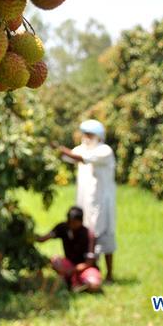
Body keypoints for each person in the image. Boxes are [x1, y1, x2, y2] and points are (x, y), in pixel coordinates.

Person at [55, 119, 117, 282]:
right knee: (86, 236)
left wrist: (60, 149)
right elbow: (69, 157)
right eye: (85, 134)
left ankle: (109, 274)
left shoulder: (104, 151)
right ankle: (86, 271)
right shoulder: (82, 149)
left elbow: (81, 157)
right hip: (85, 202)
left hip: (102, 203)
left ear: (98, 136)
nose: (86, 137)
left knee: (105, 238)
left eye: (89, 134)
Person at [36, 206, 103, 292]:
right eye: (70, 222)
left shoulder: (89, 235)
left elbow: (88, 263)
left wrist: (71, 271)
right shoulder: (62, 228)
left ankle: (78, 284)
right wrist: (28, 236)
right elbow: (43, 238)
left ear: (81, 221)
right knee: (55, 260)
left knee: (94, 285)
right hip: (69, 264)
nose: (71, 225)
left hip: (85, 268)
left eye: (74, 223)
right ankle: (72, 282)